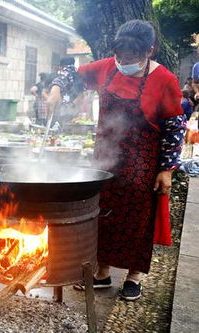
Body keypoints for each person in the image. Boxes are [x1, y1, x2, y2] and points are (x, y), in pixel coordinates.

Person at [47, 20, 186, 301]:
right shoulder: (107, 67)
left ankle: (134, 277)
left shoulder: (165, 80)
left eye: (132, 57)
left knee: (137, 219)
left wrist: (167, 169)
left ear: (150, 50)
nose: (124, 61)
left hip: (143, 163)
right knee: (103, 214)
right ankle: (102, 273)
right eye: (120, 55)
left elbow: (174, 126)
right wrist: (56, 89)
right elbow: (71, 73)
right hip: (105, 158)